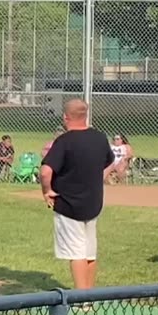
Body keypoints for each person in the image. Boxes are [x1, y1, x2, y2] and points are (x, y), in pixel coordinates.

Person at [40, 98, 114, 291]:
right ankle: (88, 293)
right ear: (85, 115)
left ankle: (82, 298)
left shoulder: (64, 141)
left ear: (66, 117)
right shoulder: (99, 137)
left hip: (68, 205)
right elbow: (109, 162)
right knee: (90, 252)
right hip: (93, 202)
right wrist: (98, 178)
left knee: (76, 252)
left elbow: (45, 172)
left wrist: (47, 191)